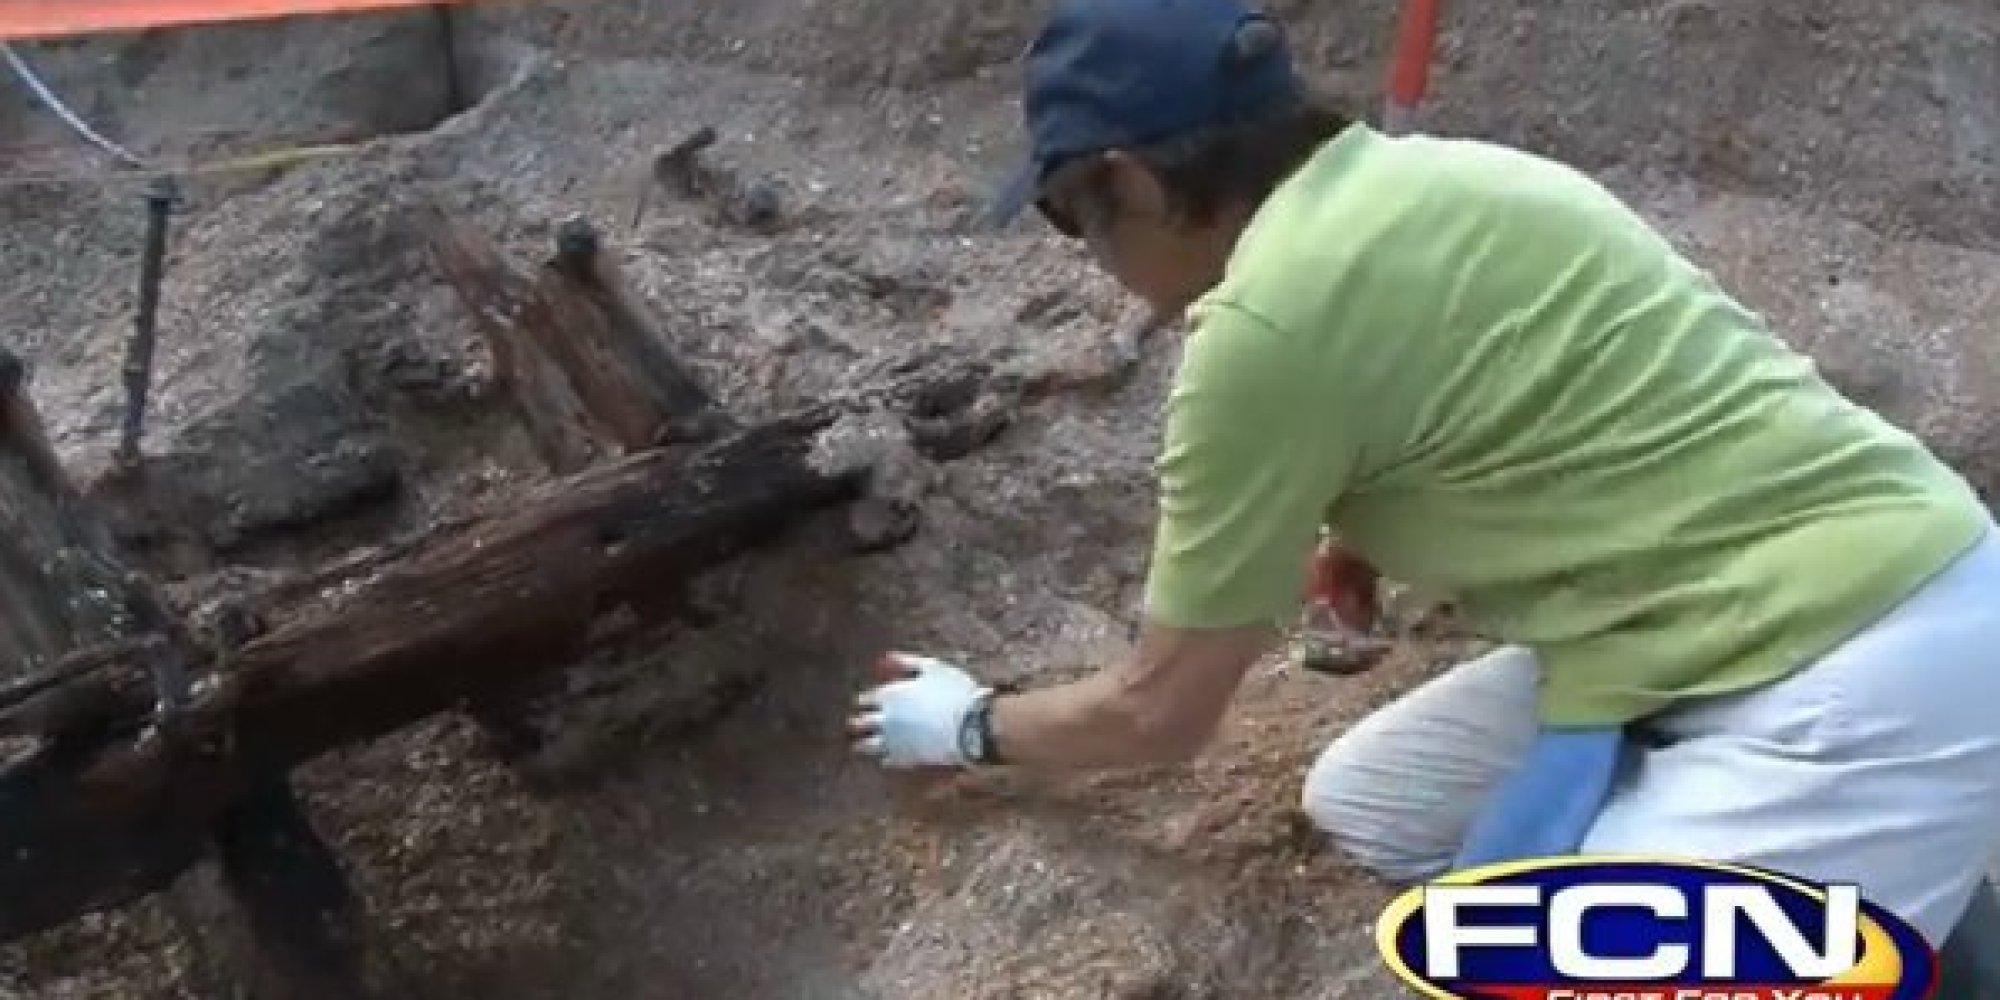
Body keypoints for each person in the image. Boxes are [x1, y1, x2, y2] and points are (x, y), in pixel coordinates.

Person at [845, 0, 2000, 959]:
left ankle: (1919, 920)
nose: (1087, 256)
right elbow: (1564, 399)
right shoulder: (1459, 177)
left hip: (1862, 664)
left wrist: (970, 724)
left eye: (1064, 216)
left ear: (1128, 181)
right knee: (1370, 802)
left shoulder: (1258, 329)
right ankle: (1864, 866)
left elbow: (1161, 711)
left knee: (1550, 966)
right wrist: (1376, 522)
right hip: (1714, 617)